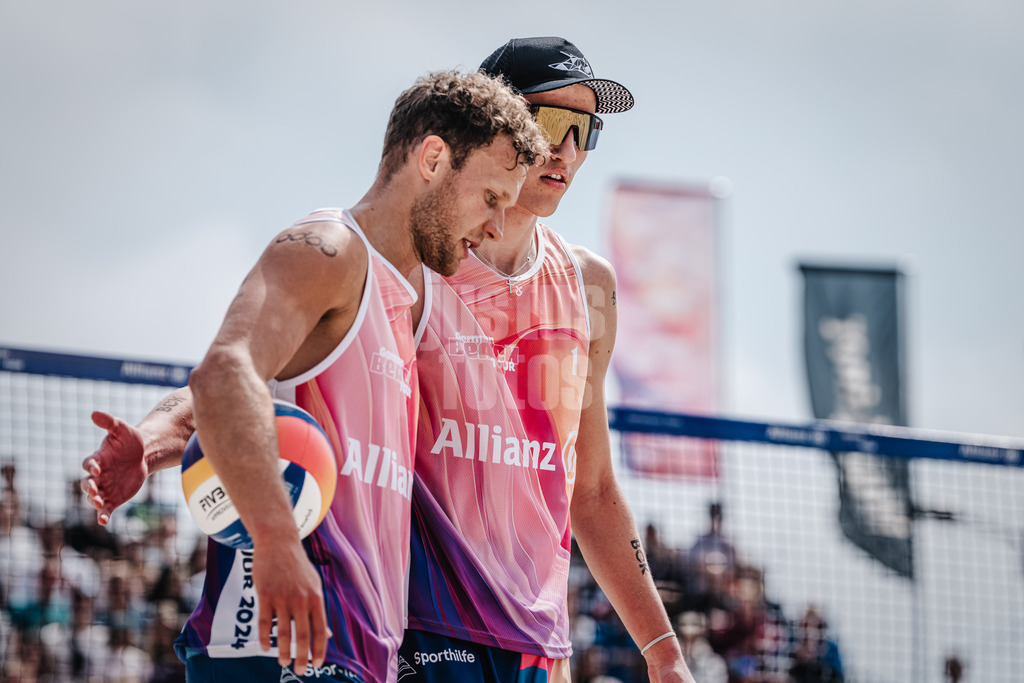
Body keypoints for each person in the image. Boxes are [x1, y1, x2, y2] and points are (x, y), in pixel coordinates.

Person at [81, 70, 548, 683]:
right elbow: (227, 375)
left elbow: (253, 396)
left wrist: (153, 441)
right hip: (273, 641)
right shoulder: (328, 250)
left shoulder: (416, 294)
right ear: (432, 158)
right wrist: (276, 540)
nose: (495, 226)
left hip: (354, 651)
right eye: (491, 198)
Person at [398, 37, 694, 683]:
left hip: (538, 641)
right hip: (420, 621)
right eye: (548, 123)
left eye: (584, 129)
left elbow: (590, 490)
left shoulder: (589, 284)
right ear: (490, 127)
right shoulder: (412, 263)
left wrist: (664, 651)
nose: (566, 150)